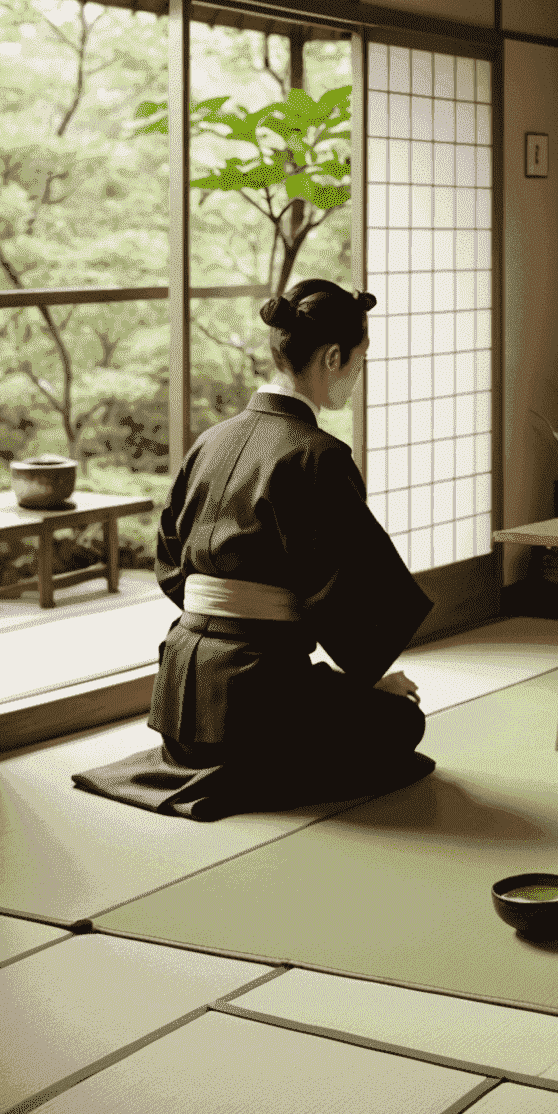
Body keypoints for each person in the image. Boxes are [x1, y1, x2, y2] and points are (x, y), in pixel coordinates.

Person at [73, 279, 435, 820]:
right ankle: (264, 759)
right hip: (256, 704)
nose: (358, 378)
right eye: (360, 361)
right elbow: (348, 586)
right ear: (333, 358)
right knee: (402, 722)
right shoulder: (318, 456)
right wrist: (371, 675)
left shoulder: (211, 439)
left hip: (179, 704)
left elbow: (173, 567)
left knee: (350, 701)